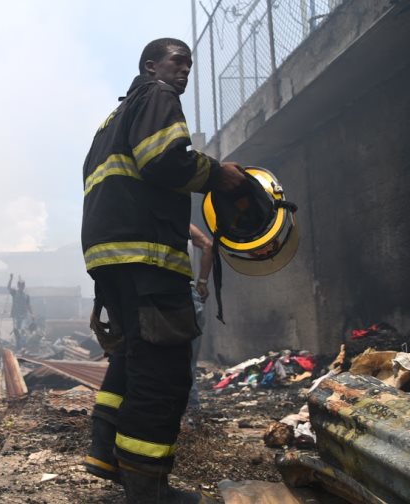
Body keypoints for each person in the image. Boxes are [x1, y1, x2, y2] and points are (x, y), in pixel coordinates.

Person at [80, 38, 244, 502]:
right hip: (147, 258)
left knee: (132, 359)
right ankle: (148, 490)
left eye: (190, 65)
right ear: (151, 66)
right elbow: (163, 160)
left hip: (111, 259)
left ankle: (106, 457)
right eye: (178, 62)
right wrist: (218, 174)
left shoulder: (110, 121)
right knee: (164, 371)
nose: (185, 72)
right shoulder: (157, 96)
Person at [187, 223, 213, 414]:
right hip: (190, 295)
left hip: (162, 297)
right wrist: (202, 282)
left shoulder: (150, 220)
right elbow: (207, 245)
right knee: (188, 366)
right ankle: (192, 420)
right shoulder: (184, 225)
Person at [7, 274, 33, 350]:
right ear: (18, 286)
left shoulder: (26, 296)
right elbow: (8, 288)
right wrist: (11, 279)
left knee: (22, 330)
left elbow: (28, 306)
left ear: (24, 286)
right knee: (16, 331)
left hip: (23, 316)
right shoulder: (14, 293)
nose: (21, 286)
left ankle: (23, 346)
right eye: (20, 285)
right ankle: (18, 346)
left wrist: (32, 314)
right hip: (15, 315)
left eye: (23, 285)